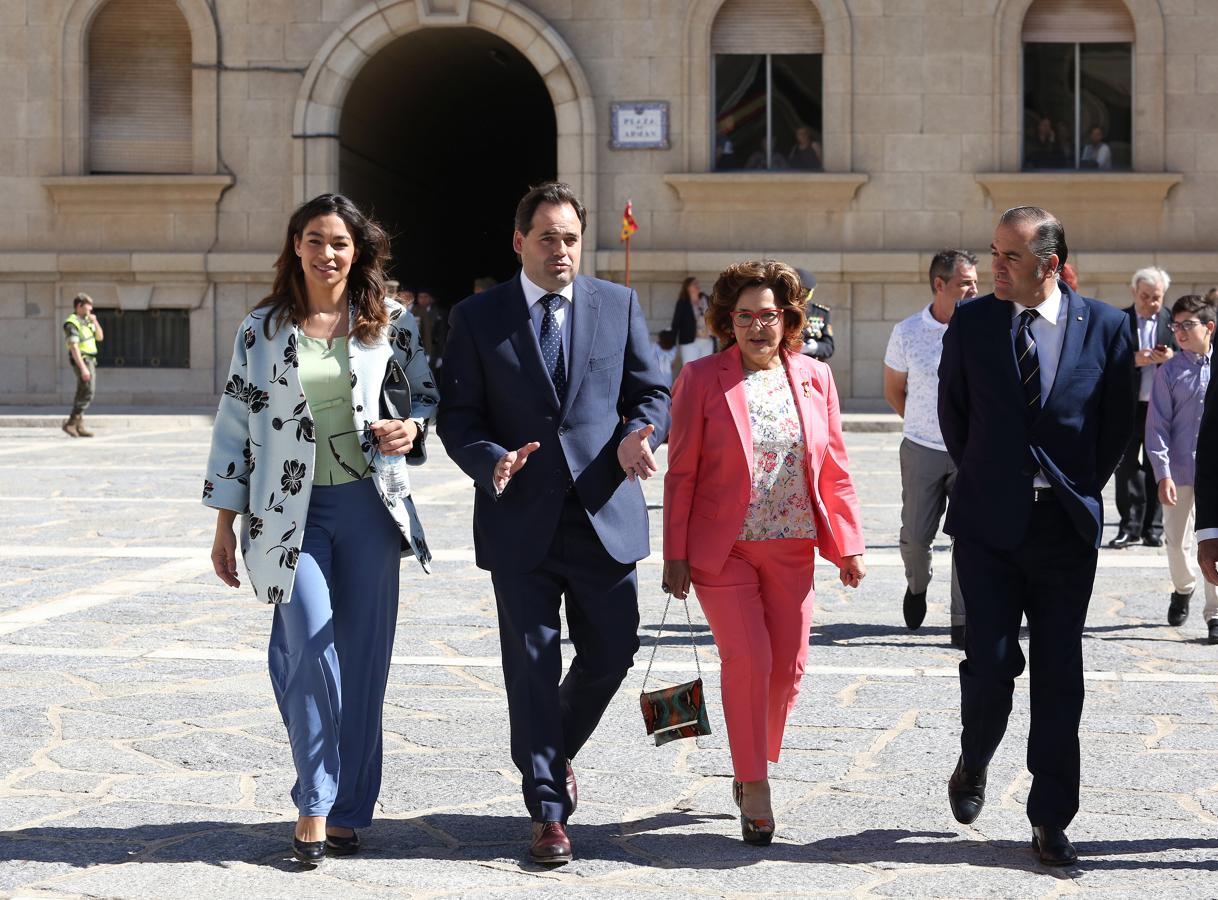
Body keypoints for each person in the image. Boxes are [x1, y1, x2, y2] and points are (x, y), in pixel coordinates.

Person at [437, 182, 670, 866]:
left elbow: (651, 390)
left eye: (570, 237)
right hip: (521, 520)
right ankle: (547, 810)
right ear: (519, 243)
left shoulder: (616, 304)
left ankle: (548, 749)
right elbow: (458, 417)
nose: (561, 250)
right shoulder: (478, 318)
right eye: (547, 237)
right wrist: (489, 460)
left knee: (613, 651)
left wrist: (642, 433)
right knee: (532, 666)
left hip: (603, 513)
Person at [203, 193, 439, 864]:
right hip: (287, 515)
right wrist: (224, 524)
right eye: (314, 240)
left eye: (339, 242)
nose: (327, 253)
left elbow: (425, 396)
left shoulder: (393, 322)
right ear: (296, 246)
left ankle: (348, 807)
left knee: (363, 662)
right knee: (308, 645)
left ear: (356, 250)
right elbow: (235, 427)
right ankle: (314, 799)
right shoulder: (261, 328)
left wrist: (413, 427)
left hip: (371, 509)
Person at [938, 206, 1134, 867]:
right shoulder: (971, 323)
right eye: (993, 252)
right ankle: (974, 758)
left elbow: (1112, 430)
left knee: (1060, 676)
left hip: (1063, 530)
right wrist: (994, 480)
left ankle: (1051, 817)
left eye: (1010, 257)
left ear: (1049, 266)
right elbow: (954, 415)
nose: (994, 266)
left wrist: (1070, 486)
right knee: (990, 666)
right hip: (987, 526)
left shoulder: (1106, 326)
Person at [662, 259, 865, 846]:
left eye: (769, 316)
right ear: (728, 321)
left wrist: (848, 545)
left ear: (788, 320)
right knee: (747, 662)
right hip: (723, 552)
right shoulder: (702, 378)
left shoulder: (814, 377)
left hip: (793, 547)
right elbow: (682, 473)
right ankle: (754, 784)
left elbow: (835, 468)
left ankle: (754, 752)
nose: (757, 327)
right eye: (745, 316)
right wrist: (675, 551)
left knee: (788, 671)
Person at [883, 250, 978, 648]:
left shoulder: (986, 327)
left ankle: (961, 619)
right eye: (964, 283)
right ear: (939, 285)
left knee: (969, 538)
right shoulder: (907, 332)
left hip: (971, 452)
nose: (974, 288)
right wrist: (925, 423)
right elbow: (893, 390)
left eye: (975, 281)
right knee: (916, 538)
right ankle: (917, 585)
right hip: (922, 448)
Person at [1146, 295, 1217, 642]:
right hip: (1180, 470)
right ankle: (1184, 586)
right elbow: (1157, 426)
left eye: (1188, 324)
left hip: (1214, 475)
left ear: (1209, 327)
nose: (1180, 332)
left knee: (1214, 540)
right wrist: (1163, 473)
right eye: (1176, 326)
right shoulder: (1169, 372)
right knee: (1176, 543)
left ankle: (1214, 613)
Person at [1111, 266, 1178, 548]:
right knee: (1126, 466)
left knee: (1157, 467)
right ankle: (1129, 526)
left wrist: (1171, 356)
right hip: (1129, 405)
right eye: (1145, 296)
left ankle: (1154, 527)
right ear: (1133, 293)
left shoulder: (1173, 320)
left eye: (1156, 297)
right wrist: (1133, 359)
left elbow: (1187, 354)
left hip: (1160, 407)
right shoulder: (1119, 320)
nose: (1151, 303)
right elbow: (1106, 360)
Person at [62, 293, 104, 438]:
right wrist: (83, 367)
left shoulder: (87, 320)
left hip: (90, 359)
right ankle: (71, 423)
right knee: (88, 391)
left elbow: (100, 337)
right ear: (79, 306)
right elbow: (74, 347)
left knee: (82, 391)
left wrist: (95, 322)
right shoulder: (72, 323)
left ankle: (78, 425)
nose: (91, 308)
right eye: (88, 305)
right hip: (83, 359)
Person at [671, 276, 715, 367]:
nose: (697, 285)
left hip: (707, 340)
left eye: (698, 283)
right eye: (694, 284)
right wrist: (672, 346)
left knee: (706, 370)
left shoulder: (706, 298)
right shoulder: (683, 302)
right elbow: (676, 323)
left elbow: (715, 315)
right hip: (689, 341)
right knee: (690, 370)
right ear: (687, 287)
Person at [795, 269, 834, 362]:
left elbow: (829, 347)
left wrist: (815, 347)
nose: (801, 296)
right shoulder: (783, 310)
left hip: (812, 364)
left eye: (805, 292)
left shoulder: (821, 313)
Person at [413, 288, 447, 367]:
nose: (423, 299)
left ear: (431, 299)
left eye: (425, 297)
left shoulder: (439, 312)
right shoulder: (413, 311)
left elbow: (442, 334)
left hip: (434, 351)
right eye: (420, 297)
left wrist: (441, 356)